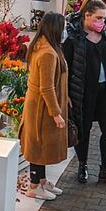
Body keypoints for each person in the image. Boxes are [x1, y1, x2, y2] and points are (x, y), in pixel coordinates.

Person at [63, 0, 106, 185]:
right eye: (98, 18)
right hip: (83, 92)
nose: (103, 21)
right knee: (83, 129)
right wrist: (65, 93)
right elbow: (64, 67)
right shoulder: (74, 37)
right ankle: (82, 165)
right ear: (87, 16)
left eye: (104, 18)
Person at [19, 13, 69, 200]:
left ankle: (41, 181)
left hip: (41, 105)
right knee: (38, 145)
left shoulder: (43, 45)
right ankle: (34, 186)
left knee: (41, 145)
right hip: (42, 108)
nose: (64, 32)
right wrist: (56, 113)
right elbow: (46, 87)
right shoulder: (47, 53)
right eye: (63, 28)